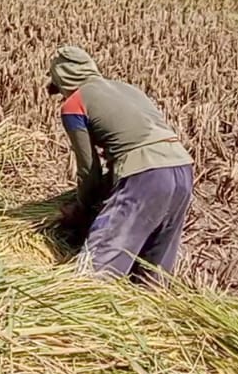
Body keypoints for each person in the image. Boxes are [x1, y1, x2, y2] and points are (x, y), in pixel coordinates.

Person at [47, 46, 194, 285]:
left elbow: (89, 170)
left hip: (145, 175)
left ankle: (86, 315)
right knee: (152, 274)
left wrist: (82, 208)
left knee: (98, 267)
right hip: (182, 169)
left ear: (63, 78)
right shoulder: (126, 88)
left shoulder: (74, 104)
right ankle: (151, 319)